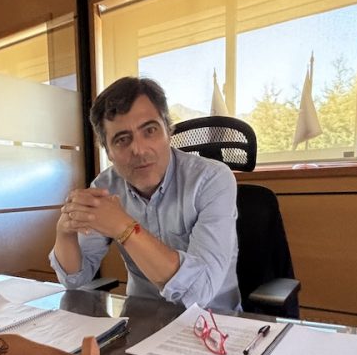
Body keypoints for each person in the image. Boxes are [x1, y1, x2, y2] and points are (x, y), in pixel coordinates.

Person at [49, 77, 241, 311]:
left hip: (214, 321)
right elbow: (75, 279)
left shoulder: (212, 179)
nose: (139, 150)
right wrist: (65, 233)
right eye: (122, 140)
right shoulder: (105, 187)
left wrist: (124, 228)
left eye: (150, 131)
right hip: (142, 320)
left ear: (168, 131)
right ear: (108, 152)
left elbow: (199, 292)